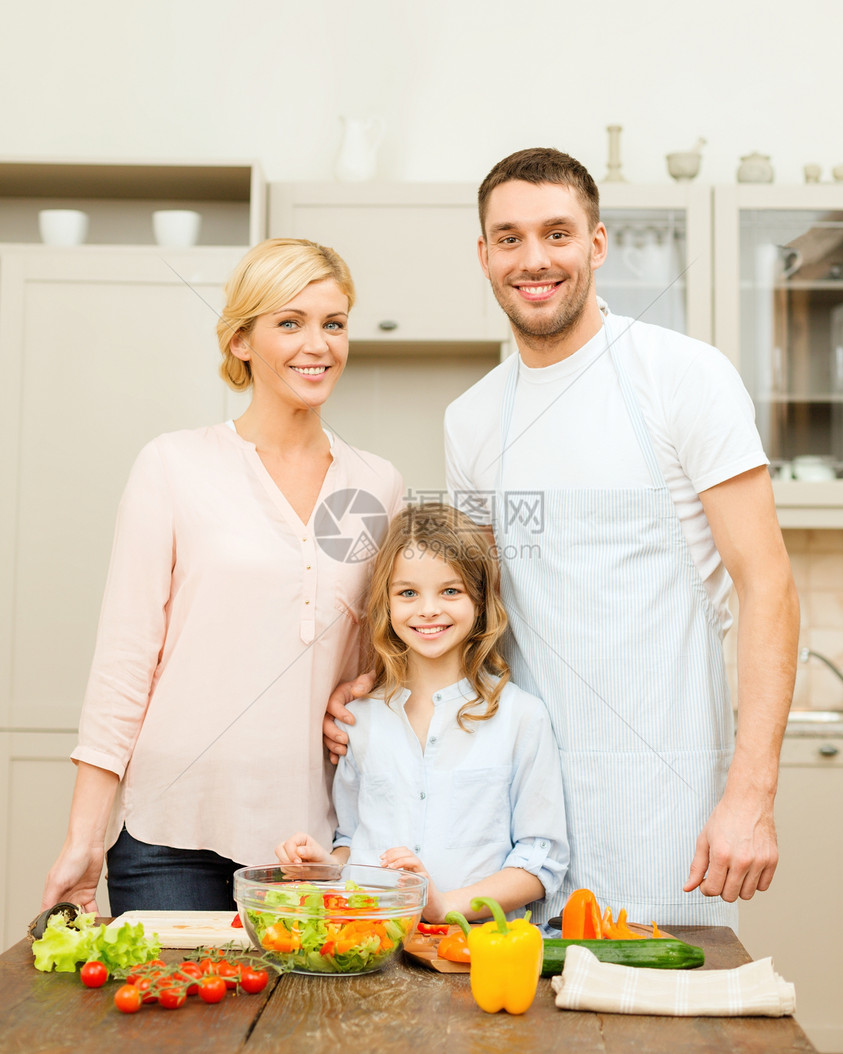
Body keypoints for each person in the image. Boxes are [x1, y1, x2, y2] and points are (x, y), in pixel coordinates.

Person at [326, 148, 799, 931]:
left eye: (557, 233)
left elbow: (768, 586)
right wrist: (380, 683)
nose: (534, 258)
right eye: (508, 238)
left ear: (598, 243)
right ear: (483, 256)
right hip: (507, 815)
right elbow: (470, 604)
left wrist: (749, 794)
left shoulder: (682, 377)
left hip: (663, 803)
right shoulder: (473, 419)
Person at [41, 238, 403, 915]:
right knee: (174, 1024)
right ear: (241, 340)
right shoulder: (173, 465)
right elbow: (125, 661)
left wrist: (366, 687)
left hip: (310, 845)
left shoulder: (378, 484)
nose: (317, 344)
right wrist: (85, 837)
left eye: (333, 323)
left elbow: (389, 648)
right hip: (168, 834)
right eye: (289, 323)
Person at [277, 502, 568, 922]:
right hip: (374, 942)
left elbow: (541, 861)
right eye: (408, 592)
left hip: (475, 951)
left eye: (450, 591)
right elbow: (354, 838)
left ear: (481, 601)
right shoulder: (358, 720)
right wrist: (325, 866)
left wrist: (442, 906)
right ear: (387, 602)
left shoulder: (521, 717)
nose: (428, 609)